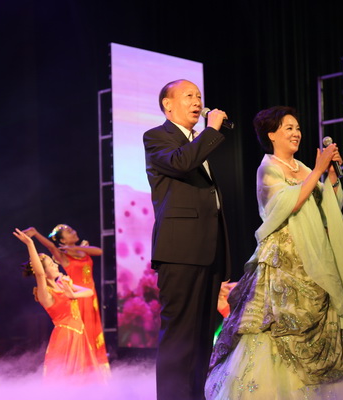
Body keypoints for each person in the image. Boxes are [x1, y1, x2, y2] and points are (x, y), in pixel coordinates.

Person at [205, 106, 343, 399]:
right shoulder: (268, 167)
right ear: (271, 135)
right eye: (288, 128)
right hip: (284, 259)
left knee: (325, 324)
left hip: (316, 257)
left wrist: (330, 176)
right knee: (276, 325)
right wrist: (317, 171)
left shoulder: (304, 167)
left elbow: (329, 207)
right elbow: (285, 205)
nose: (296, 133)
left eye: (298, 128)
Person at [143, 79, 232, 400]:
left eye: (199, 96)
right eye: (189, 96)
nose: (197, 101)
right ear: (167, 105)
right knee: (179, 333)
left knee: (202, 336)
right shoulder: (157, 137)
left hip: (207, 250)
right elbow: (181, 163)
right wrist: (212, 130)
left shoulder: (196, 141)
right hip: (179, 251)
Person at [13, 228, 106, 381]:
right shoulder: (45, 293)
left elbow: (88, 291)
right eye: (51, 264)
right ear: (44, 272)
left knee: (84, 380)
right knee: (65, 380)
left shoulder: (63, 284)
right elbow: (39, 273)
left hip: (79, 334)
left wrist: (73, 295)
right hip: (66, 337)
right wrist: (30, 244)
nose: (56, 264)